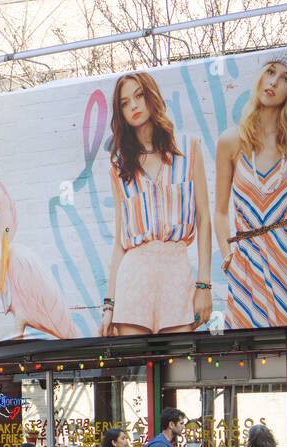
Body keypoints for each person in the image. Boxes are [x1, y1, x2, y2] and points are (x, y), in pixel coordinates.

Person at [216, 51, 287, 330]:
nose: (274, 82)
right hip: (248, 263)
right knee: (251, 355)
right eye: (270, 72)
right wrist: (228, 256)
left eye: (285, 78)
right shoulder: (231, 141)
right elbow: (220, 212)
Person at [100, 71, 213, 337]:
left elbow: (204, 218)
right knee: (138, 373)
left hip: (176, 275)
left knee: (182, 369)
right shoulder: (119, 169)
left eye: (138, 96)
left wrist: (204, 285)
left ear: (152, 96)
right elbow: (120, 243)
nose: (134, 106)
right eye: (125, 103)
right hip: (134, 280)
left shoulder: (188, 149)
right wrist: (109, 305)